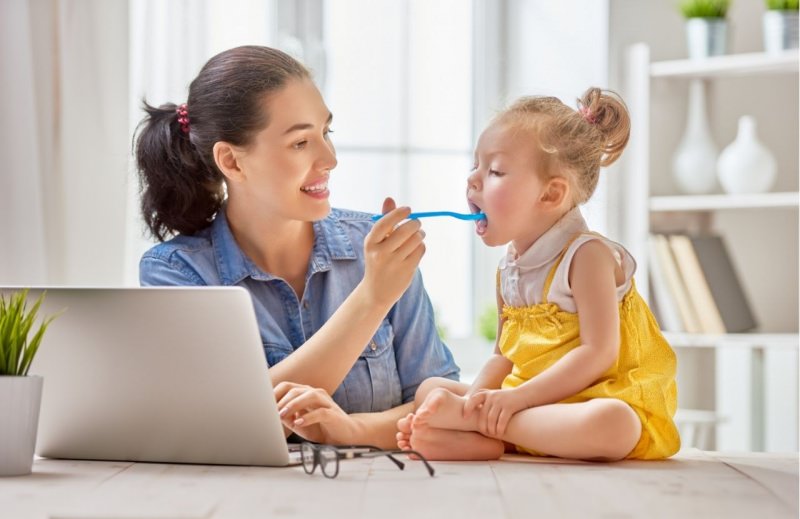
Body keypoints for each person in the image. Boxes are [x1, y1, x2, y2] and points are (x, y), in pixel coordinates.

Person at [134, 45, 459, 450]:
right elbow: (222, 425)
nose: (330, 158)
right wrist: (372, 300)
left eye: (326, 133)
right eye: (301, 142)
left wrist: (351, 430)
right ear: (232, 162)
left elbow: (442, 408)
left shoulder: (374, 250)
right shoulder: (178, 273)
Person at [396, 87, 680, 461]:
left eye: (495, 171)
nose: (473, 181)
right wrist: (479, 399)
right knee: (430, 389)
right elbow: (504, 357)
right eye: (475, 166)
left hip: (598, 396)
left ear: (550, 195)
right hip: (532, 405)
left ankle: (490, 433)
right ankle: (486, 431)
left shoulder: (587, 256)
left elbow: (599, 353)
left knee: (615, 424)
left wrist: (513, 401)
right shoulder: (508, 270)